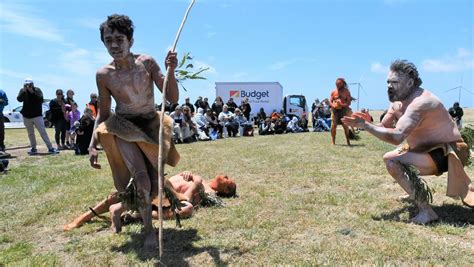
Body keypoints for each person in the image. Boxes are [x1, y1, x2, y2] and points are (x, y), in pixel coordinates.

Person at [342, 59, 474, 224]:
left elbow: (396, 136)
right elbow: (384, 127)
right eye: (388, 82)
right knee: (391, 157)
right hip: (425, 150)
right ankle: (413, 190)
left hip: (448, 153)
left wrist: (366, 126)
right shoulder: (398, 101)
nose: (389, 86)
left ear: (410, 82)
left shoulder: (420, 102)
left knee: (392, 161)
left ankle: (427, 212)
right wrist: (367, 120)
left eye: (395, 82)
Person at [88, 14, 180, 249]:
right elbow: (105, 112)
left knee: (153, 181)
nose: (114, 45)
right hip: (123, 127)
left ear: (131, 40)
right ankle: (149, 230)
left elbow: (171, 97)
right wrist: (93, 142)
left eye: (119, 39)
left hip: (150, 126)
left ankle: (117, 209)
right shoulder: (104, 75)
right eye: (109, 40)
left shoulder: (147, 63)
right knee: (141, 180)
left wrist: (171, 70)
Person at [64, 171, 237, 231]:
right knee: (121, 192)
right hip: (158, 187)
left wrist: (196, 184)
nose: (225, 176)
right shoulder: (200, 179)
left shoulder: (208, 190)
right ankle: (85, 217)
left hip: (170, 200)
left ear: (226, 189)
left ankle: (136, 215)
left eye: (228, 180)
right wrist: (190, 176)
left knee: (187, 208)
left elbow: (190, 199)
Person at [17, 78, 59, 155]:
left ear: (32, 84)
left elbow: (40, 99)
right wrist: (24, 91)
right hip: (26, 116)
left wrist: (32, 92)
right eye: (26, 85)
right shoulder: (22, 91)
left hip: (37, 115)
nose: (28, 86)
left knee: (43, 132)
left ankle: (50, 148)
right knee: (30, 133)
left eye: (29, 84)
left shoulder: (37, 90)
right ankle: (33, 148)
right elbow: (19, 99)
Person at [329, 78, 353, 145]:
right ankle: (333, 142)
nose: (337, 85)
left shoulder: (346, 91)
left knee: (345, 126)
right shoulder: (333, 92)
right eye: (336, 84)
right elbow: (330, 101)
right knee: (333, 127)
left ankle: (348, 141)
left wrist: (342, 104)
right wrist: (333, 105)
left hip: (344, 110)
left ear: (342, 84)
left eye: (339, 84)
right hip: (335, 110)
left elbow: (349, 103)